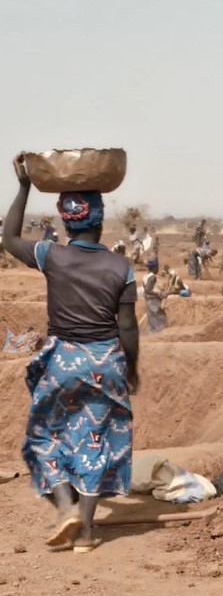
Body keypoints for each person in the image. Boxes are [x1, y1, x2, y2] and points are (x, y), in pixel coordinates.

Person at [3, 156, 138, 553]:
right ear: (100, 222)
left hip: (62, 360)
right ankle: (87, 532)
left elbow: (8, 239)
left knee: (43, 435)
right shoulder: (122, 266)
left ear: (66, 223)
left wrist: (24, 186)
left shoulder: (52, 255)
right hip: (106, 361)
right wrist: (132, 367)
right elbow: (128, 326)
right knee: (97, 440)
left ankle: (66, 508)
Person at [143, 260, 170, 334]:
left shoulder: (145, 277)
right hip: (154, 300)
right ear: (155, 268)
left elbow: (145, 289)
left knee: (152, 319)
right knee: (160, 317)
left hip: (149, 300)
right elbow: (148, 289)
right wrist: (159, 294)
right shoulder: (152, 277)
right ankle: (159, 334)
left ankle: (152, 335)